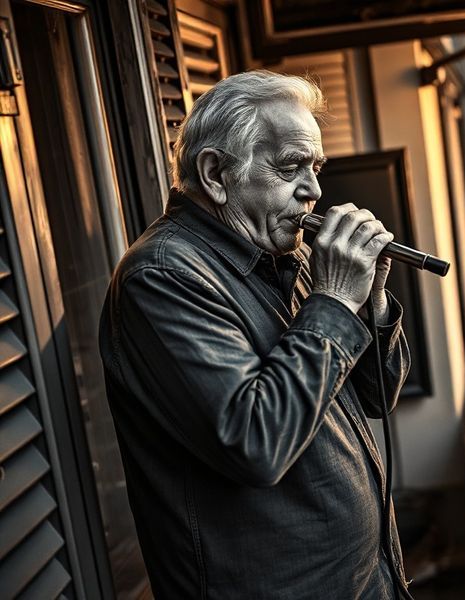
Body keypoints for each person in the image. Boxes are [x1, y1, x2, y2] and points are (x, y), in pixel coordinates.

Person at [98, 71, 412, 598]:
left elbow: (376, 395)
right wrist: (333, 301)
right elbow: (255, 441)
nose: (313, 191)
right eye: (291, 168)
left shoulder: (285, 254)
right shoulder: (163, 277)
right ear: (216, 173)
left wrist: (369, 299)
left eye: (315, 168)